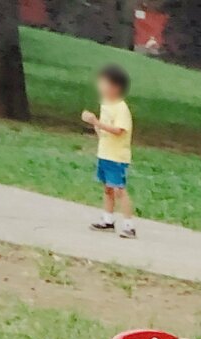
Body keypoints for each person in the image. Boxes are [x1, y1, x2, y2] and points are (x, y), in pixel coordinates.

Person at [81, 64, 136, 239]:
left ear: (115, 87)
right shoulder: (106, 104)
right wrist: (95, 125)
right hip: (105, 154)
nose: (100, 87)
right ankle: (108, 220)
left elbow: (119, 130)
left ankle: (129, 225)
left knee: (119, 189)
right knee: (107, 189)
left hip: (117, 157)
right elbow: (103, 132)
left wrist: (96, 122)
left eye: (104, 83)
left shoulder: (121, 107)